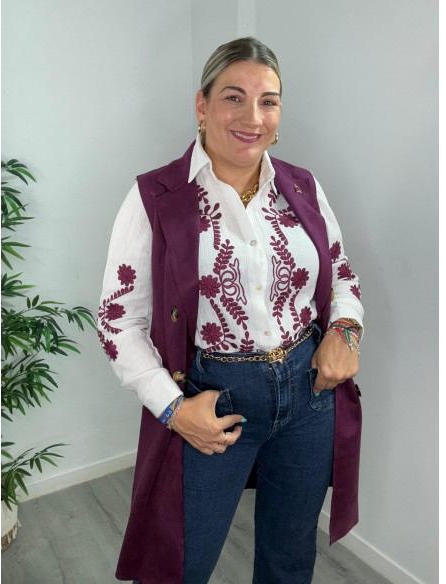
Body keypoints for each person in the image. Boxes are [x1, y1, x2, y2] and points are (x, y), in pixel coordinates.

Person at [98, 37, 363, 584]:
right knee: (177, 565)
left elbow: (341, 275)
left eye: (268, 101)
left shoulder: (303, 186)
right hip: (213, 401)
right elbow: (117, 321)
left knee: (290, 559)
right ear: (202, 105)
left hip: (308, 394)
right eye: (233, 98)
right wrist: (174, 410)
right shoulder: (155, 197)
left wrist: (344, 330)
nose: (253, 117)